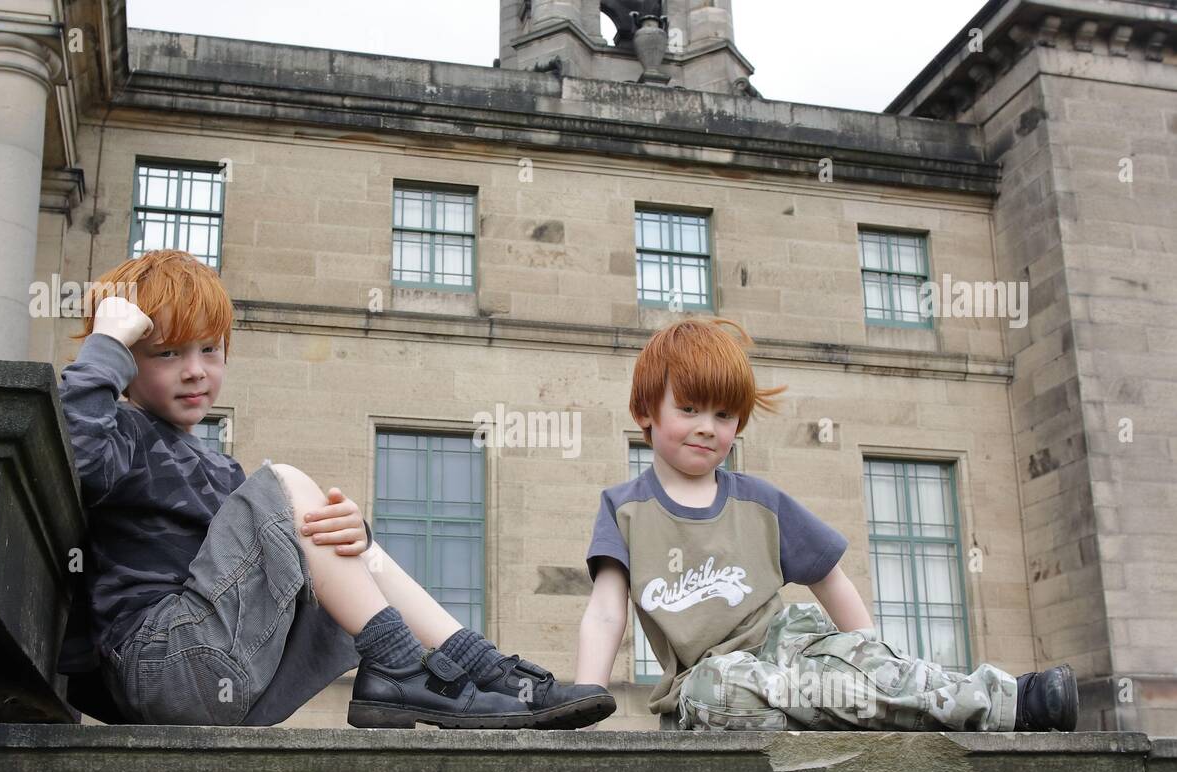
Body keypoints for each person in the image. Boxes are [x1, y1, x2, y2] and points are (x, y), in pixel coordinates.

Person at [58, 249, 615, 729]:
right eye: (168, 353)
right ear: (125, 363)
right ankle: (398, 666)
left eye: (210, 350)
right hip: (161, 665)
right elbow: (75, 458)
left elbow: (261, 571)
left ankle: (479, 664)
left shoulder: (221, 470)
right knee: (287, 482)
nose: (196, 371)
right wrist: (107, 340)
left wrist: (346, 538)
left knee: (341, 531)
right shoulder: (120, 434)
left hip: (233, 674)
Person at [574, 316, 1078, 733]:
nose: (707, 426)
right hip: (712, 684)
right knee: (718, 690)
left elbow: (829, 578)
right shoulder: (625, 510)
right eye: (688, 409)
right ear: (646, 411)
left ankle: (1015, 701)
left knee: (855, 666)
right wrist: (584, 711)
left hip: (795, 649)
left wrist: (871, 657)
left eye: (724, 415)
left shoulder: (761, 501)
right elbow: (603, 614)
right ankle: (851, 715)